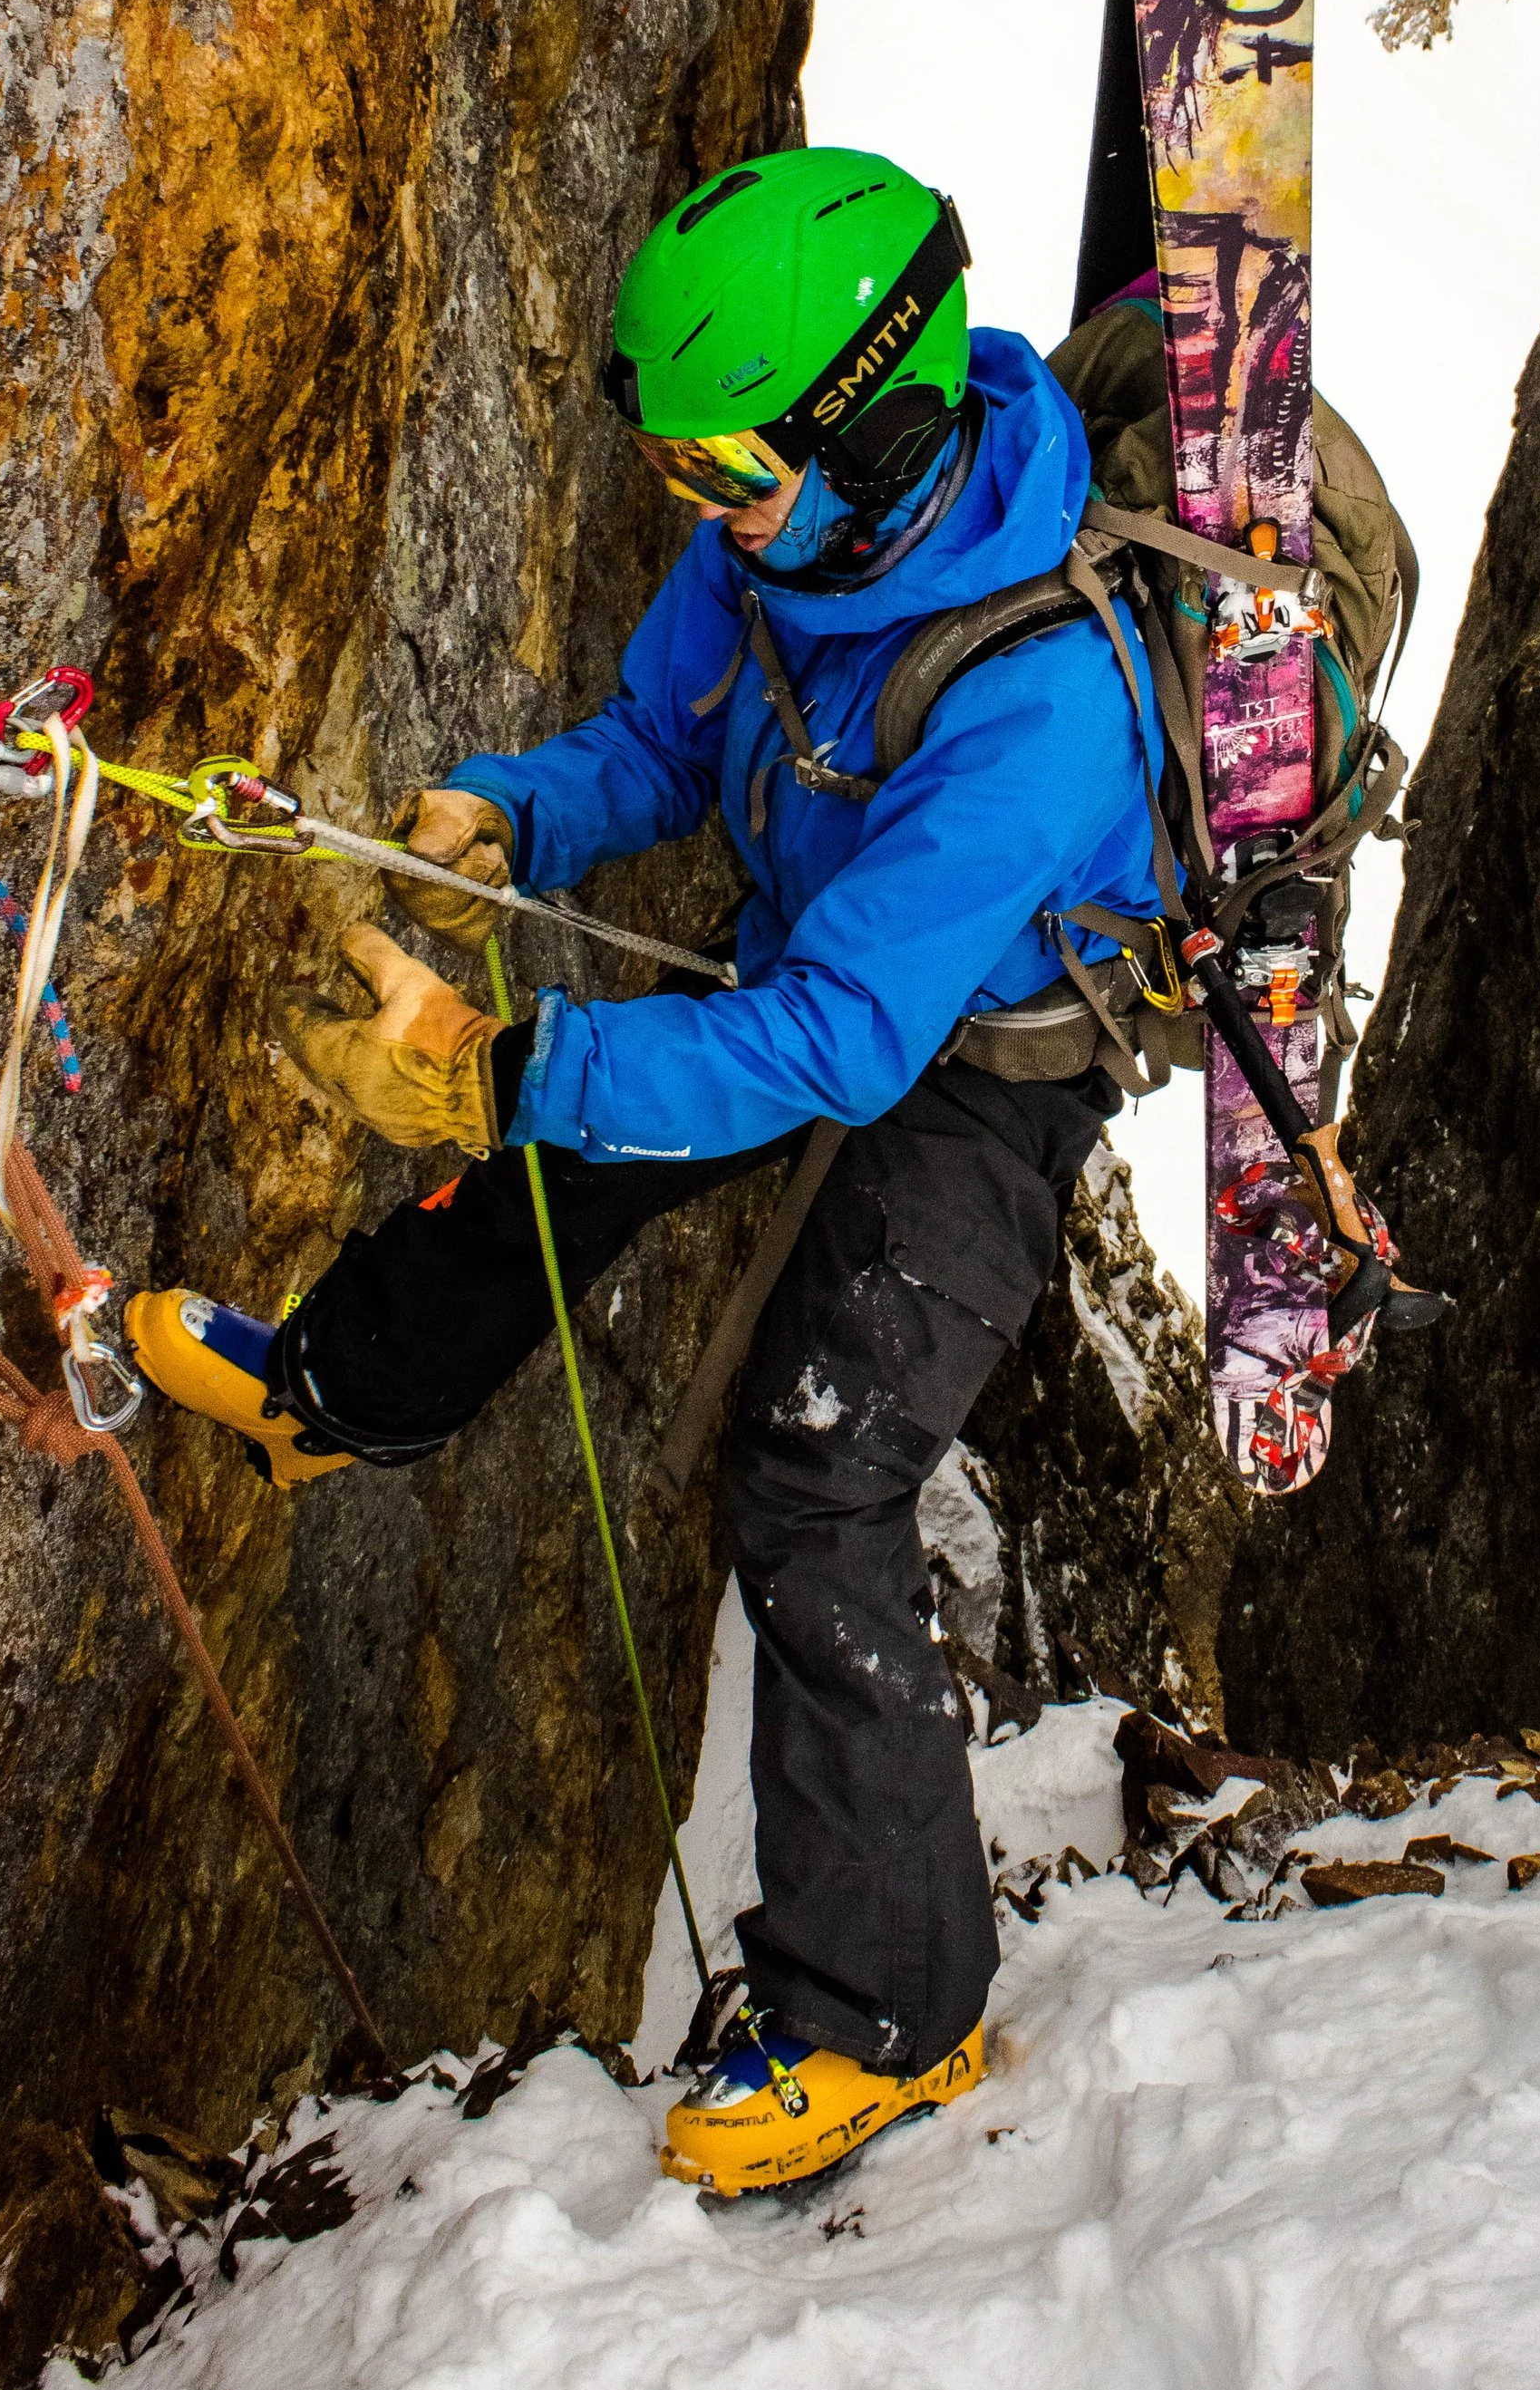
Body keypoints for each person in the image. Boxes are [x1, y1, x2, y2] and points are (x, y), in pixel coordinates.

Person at [125, 146, 1175, 2198]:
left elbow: (843, 1048)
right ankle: (348, 1391)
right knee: (581, 1122)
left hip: (985, 1061)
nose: (700, 512)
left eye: (729, 473)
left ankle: (890, 2009)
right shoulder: (790, 549)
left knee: (812, 1469)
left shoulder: (1039, 705)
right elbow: (661, 737)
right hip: (833, 948)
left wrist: (507, 1068)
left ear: (866, 435)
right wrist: (513, 819)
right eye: (683, 470)